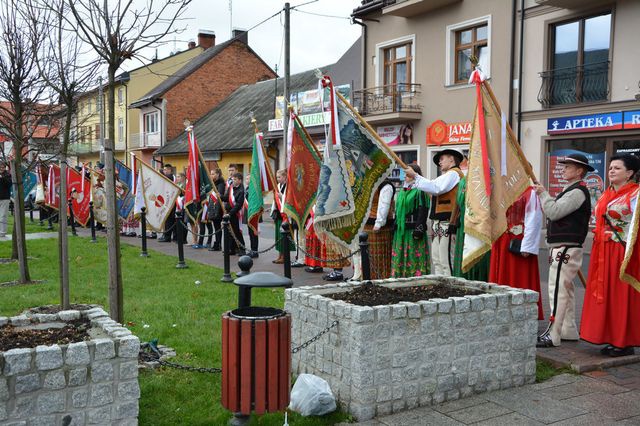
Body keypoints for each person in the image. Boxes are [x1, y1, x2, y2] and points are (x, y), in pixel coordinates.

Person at [579, 154, 640, 356]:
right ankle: (611, 337)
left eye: (617, 168)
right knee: (605, 294)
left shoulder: (636, 195)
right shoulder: (606, 193)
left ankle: (624, 341)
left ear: (630, 173)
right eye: (610, 167)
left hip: (621, 252)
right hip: (602, 251)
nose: (611, 170)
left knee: (621, 295)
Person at [534, 153, 593, 348]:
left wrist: (543, 194)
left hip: (566, 247)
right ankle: (568, 329)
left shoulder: (577, 192)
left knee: (558, 290)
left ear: (579, 171)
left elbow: (554, 212)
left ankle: (554, 334)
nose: (564, 169)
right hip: (565, 247)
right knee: (565, 290)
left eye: (568, 166)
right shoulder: (573, 190)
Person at [404, 149, 464, 275]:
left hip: (448, 223)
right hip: (439, 223)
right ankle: (440, 286)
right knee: (437, 260)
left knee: (446, 261)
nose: (440, 162)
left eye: (442, 159)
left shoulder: (454, 174)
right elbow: (434, 187)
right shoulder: (447, 176)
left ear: (452, 159)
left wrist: (415, 176)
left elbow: (436, 188)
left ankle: (449, 288)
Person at [489, 185, 544, 319]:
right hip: (502, 241)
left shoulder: (530, 192)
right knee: (501, 278)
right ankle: (501, 313)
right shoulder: (502, 190)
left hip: (517, 241)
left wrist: (527, 247)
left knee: (518, 278)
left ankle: (521, 314)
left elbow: (534, 219)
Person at [391, 164, 430, 278]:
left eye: (408, 174)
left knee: (414, 256)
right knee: (400, 256)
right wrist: (396, 224)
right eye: (405, 174)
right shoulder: (402, 191)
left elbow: (423, 210)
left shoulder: (420, 190)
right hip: (401, 230)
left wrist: (419, 229)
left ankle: (416, 280)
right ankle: (400, 278)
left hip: (413, 231)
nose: (405, 177)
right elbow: (398, 210)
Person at [353, 179, 395, 280]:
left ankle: (379, 278)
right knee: (365, 253)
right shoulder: (370, 182)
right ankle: (362, 276)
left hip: (379, 227)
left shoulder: (386, 186)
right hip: (367, 224)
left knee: (378, 257)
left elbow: (384, 205)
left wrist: (379, 223)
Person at [451, 173, 490, 281]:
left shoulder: (483, 178)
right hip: (462, 226)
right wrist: (453, 226)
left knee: (477, 257)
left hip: (478, 227)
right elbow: (457, 205)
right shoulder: (463, 181)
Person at [224, 171, 246, 255]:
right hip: (229, 213)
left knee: (237, 232)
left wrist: (230, 213)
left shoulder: (241, 190)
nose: (233, 180)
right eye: (233, 179)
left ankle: (242, 249)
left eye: (235, 179)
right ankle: (231, 249)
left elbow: (238, 204)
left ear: (240, 180)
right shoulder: (231, 187)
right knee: (230, 232)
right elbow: (226, 198)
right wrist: (221, 196)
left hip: (236, 214)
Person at [207, 168, 226, 251]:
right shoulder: (213, 183)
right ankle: (217, 243)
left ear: (218, 174)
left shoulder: (221, 184)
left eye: (213, 173)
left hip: (218, 209)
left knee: (218, 228)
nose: (211, 175)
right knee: (216, 227)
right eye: (211, 174)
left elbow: (219, 196)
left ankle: (217, 244)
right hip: (214, 208)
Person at [158, 164, 176, 242]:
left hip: (170, 201)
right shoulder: (168, 176)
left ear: (169, 170)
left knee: (169, 220)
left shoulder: (170, 177)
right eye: (164, 170)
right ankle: (166, 235)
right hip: (167, 200)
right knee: (167, 219)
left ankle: (167, 236)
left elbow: (162, 177)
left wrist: (160, 171)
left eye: (166, 170)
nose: (164, 171)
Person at [244, 174, 259, 258]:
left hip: (253, 214)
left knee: (254, 233)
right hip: (248, 213)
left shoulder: (254, 190)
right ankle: (252, 249)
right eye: (246, 178)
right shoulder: (247, 189)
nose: (247, 180)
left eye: (248, 179)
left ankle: (255, 251)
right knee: (250, 233)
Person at [0, 163, 11, 238]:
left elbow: (9, 184)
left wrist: (2, 178)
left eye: (3, 167)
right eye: (0, 167)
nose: (1, 169)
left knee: (3, 216)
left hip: (5, 198)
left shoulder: (7, 175)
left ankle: (2, 232)